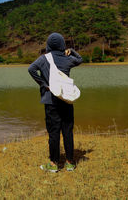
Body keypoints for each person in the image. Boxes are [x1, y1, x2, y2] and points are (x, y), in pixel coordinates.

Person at [28, 32, 82, 172]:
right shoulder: (67, 58)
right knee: (67, 131)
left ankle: (53, 164)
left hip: (51, 100)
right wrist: (71, 50)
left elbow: (31, 69)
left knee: (53, 133)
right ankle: (70, 163)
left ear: (48, 45)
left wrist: (43, 83)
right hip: (66, 99)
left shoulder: (44, 59)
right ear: (62, 45)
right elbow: (80, 59)